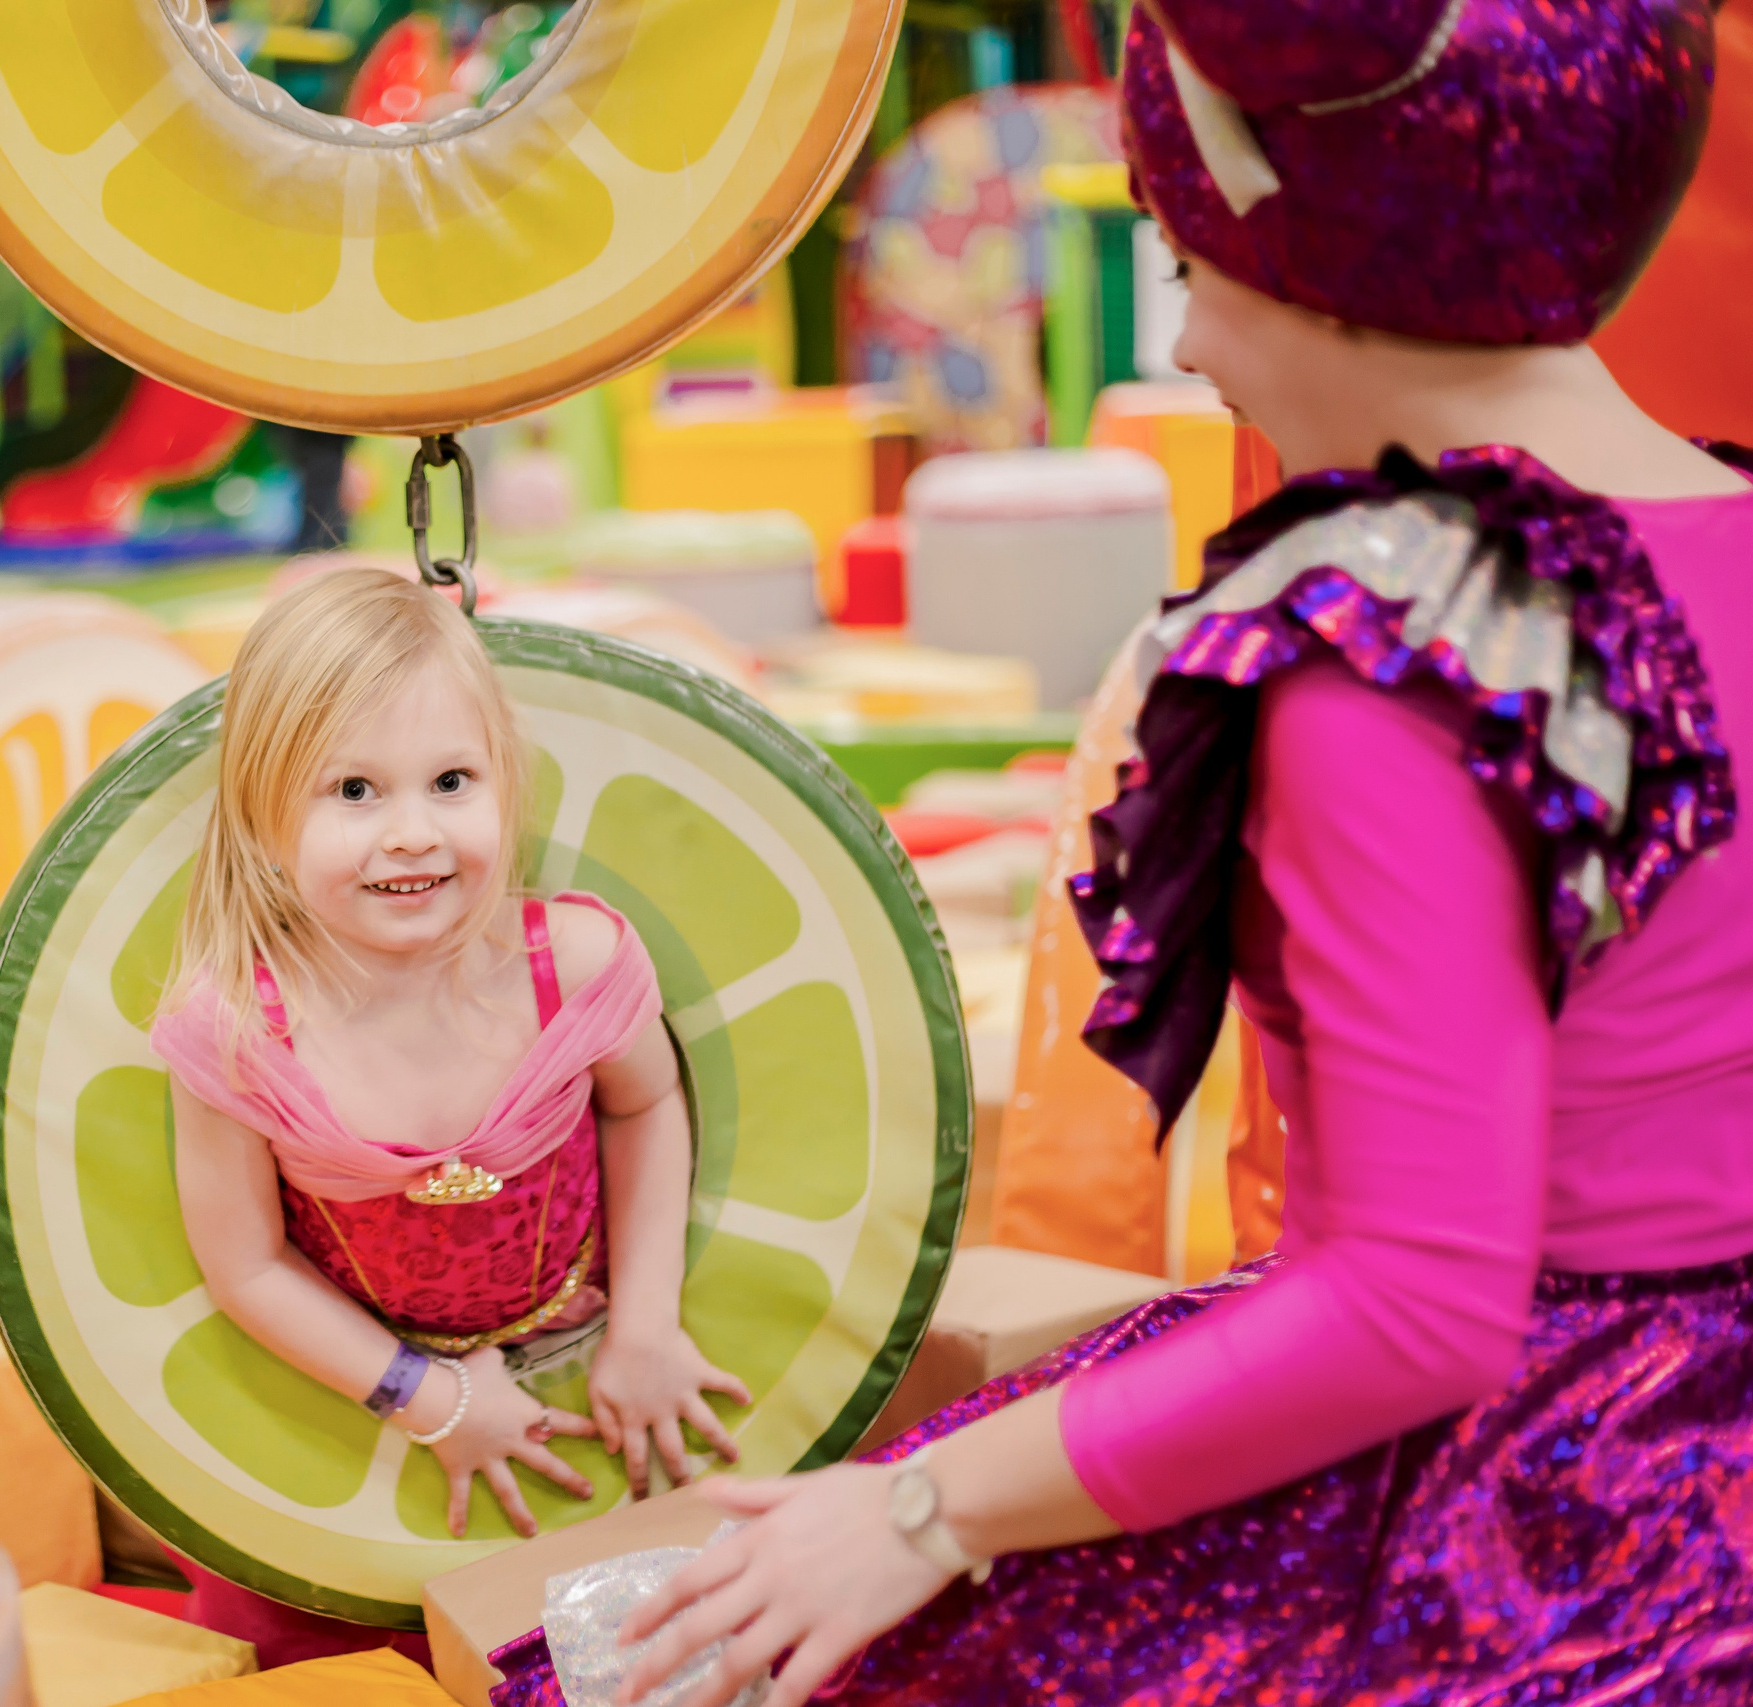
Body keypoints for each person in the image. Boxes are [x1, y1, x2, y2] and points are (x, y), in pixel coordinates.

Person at [484, 2, 1753, 1703]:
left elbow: (1413, 1305)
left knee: (652, 1659)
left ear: (1313, 246)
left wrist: (918, 1510)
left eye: (1183, 259)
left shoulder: (1396, 670)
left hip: (1548, 1489)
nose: (1198, 343)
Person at [148, 567, 749, 1661]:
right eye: (354, 793)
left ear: (505, 787)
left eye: (451, 781)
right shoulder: (237, 1031)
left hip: (574, 1372)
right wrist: (421, 1397)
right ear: (262, 818)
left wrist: (647, 1322)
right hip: (356, 1400)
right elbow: (245, 1266)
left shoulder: (574, 965)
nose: (412, 834)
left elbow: (648, 1107)